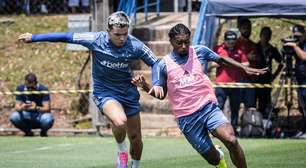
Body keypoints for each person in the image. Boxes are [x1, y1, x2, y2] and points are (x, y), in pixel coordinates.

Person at [18, 11, 160, 168]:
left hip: (128, 93)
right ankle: (122, 153)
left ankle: (135, 166)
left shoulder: (134, 45)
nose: (122, 38)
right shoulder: (94, 39)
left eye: (125, 34)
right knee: (120, 122)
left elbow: (155, 63)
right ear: (108, 31)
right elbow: (66, 36)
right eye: (117, 34)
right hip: (105, 93)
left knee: (136, 140)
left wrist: (157, 82)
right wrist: (35, 37)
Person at [132, 24, 267, 168]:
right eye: (179, 43)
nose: (184, 46)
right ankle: (219, 158)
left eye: (186, 42)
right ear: (171, 41)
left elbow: (221, 60)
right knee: (213, 159)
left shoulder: (199, 51)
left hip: (208, 108)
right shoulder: (162, 65)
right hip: (187, 119)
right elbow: (160, 94)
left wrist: (244, 68)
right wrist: (145, 86)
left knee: (231, 140)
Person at [212, 30, 249, 133]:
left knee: (235, 108)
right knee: (218, 107)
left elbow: (246, 63)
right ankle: (216, 129)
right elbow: (211, 64)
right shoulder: (218, 49)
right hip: (221, 84)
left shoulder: (240, 50)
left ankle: (233, 130)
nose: (232, 43)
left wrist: (235, 64)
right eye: (229, 40)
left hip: (235, 84)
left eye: (233, 40)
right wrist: (222, 62)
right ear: (225, 40)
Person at [10, 73, 53, 137]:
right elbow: (17, 107)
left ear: (36, 83)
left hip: (40, 115)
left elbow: (47, 108)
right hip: (26, 114)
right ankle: (28, 132)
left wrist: (36, 108)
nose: (29, 89)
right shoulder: (20, 88)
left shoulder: (43, 89)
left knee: (48, 118)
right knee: (14, 117)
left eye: (32, 87)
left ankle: (43, 132)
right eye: (28, 87)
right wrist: (22, 107)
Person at [255, 27, 283, 119]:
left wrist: (274, 76)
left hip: (267, 80)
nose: (266, 37)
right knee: (253, 104)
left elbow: (282, 63)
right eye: (264, 35)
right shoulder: (255, 47)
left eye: (268, 35)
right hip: (254, 80)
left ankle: (265, 125)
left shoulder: (272, 49)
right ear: (260, 35)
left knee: (265, 104)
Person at [285, 24, 306, 138]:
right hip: (300, 80)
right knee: (302, 106)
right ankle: (303, 129)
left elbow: (304, 57)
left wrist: (294, 46)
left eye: (299, 36)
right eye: (295, 36)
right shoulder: (298, 44)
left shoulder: (302, 45)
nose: (297, 38)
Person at [236, 17, 257, 109]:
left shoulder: (253, 45)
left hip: (250, 80)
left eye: (249, 28)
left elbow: (256, 58)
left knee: (250, 107)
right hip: (236, 80)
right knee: (235, 107)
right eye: (244, 28)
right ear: (239, 29)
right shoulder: (235, 43)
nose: (247, 30)